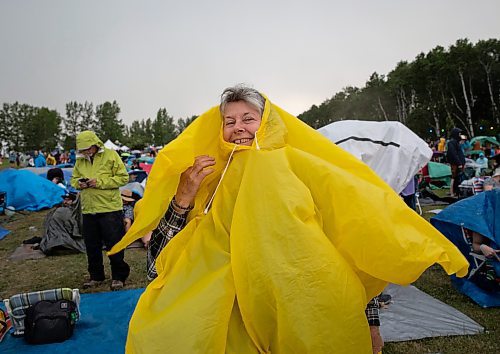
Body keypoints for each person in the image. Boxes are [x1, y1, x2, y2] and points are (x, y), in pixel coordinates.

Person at [110, 85, 467, 353]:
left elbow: (345, 239)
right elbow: (158, 267)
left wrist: (369, 321)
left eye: (248, 118)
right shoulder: (206, 180)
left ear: (267, 121)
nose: (238, 128)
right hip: (223, 323)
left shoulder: (300, 167)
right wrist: (183, 198)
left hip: (294, 313)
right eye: (229, 121)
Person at [71, 131, 130, 291]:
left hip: (110, 208)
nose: (86, 152)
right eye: (83, 149)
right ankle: (96, 276)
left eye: (88, 148)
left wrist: (100, 182)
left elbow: (124, 178)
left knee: (114, 244)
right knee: (92, 245)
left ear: (95, 143)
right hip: (89, 209)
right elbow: (73, 179)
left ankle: (119, 276)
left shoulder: (111, 155)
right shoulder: (80, 161)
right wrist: (79, 184)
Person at [446, 127, 466, 197]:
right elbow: (453, 154)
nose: (460, 135)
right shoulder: (451, 143)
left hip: (459, 163)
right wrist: (459, 163)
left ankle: (457, 191)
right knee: (454, 177)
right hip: (456, 163)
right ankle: (452, 192)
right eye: (459, 134)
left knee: (458, 178)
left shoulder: (456, 142)